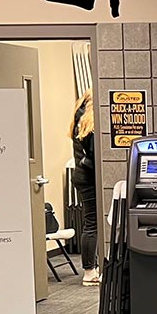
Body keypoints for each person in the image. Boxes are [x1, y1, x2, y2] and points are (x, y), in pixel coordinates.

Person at [69, 89, 100, 285]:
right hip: (89, 178)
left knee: (90, 223)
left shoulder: (79, 119)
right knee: (92, 224)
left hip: (82, 178)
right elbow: (95, 157)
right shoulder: (90, 123)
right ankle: (89, 271)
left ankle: (91, 268)